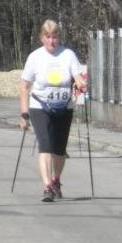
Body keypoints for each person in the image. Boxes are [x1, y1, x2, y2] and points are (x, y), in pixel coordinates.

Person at [19, 20, 87, 202]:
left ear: (59, 38)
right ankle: (47, 186)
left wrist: (80, 83)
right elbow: (24, 87)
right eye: (48, 37)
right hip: (40, 106)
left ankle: (56, 180)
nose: (52, 41)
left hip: (64, 107)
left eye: (55, 37)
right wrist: (24, 115)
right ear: (42, 38)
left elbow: (78, 76)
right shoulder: (35, 57)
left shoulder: (68, 55)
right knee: (46, 145)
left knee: (59, 149)